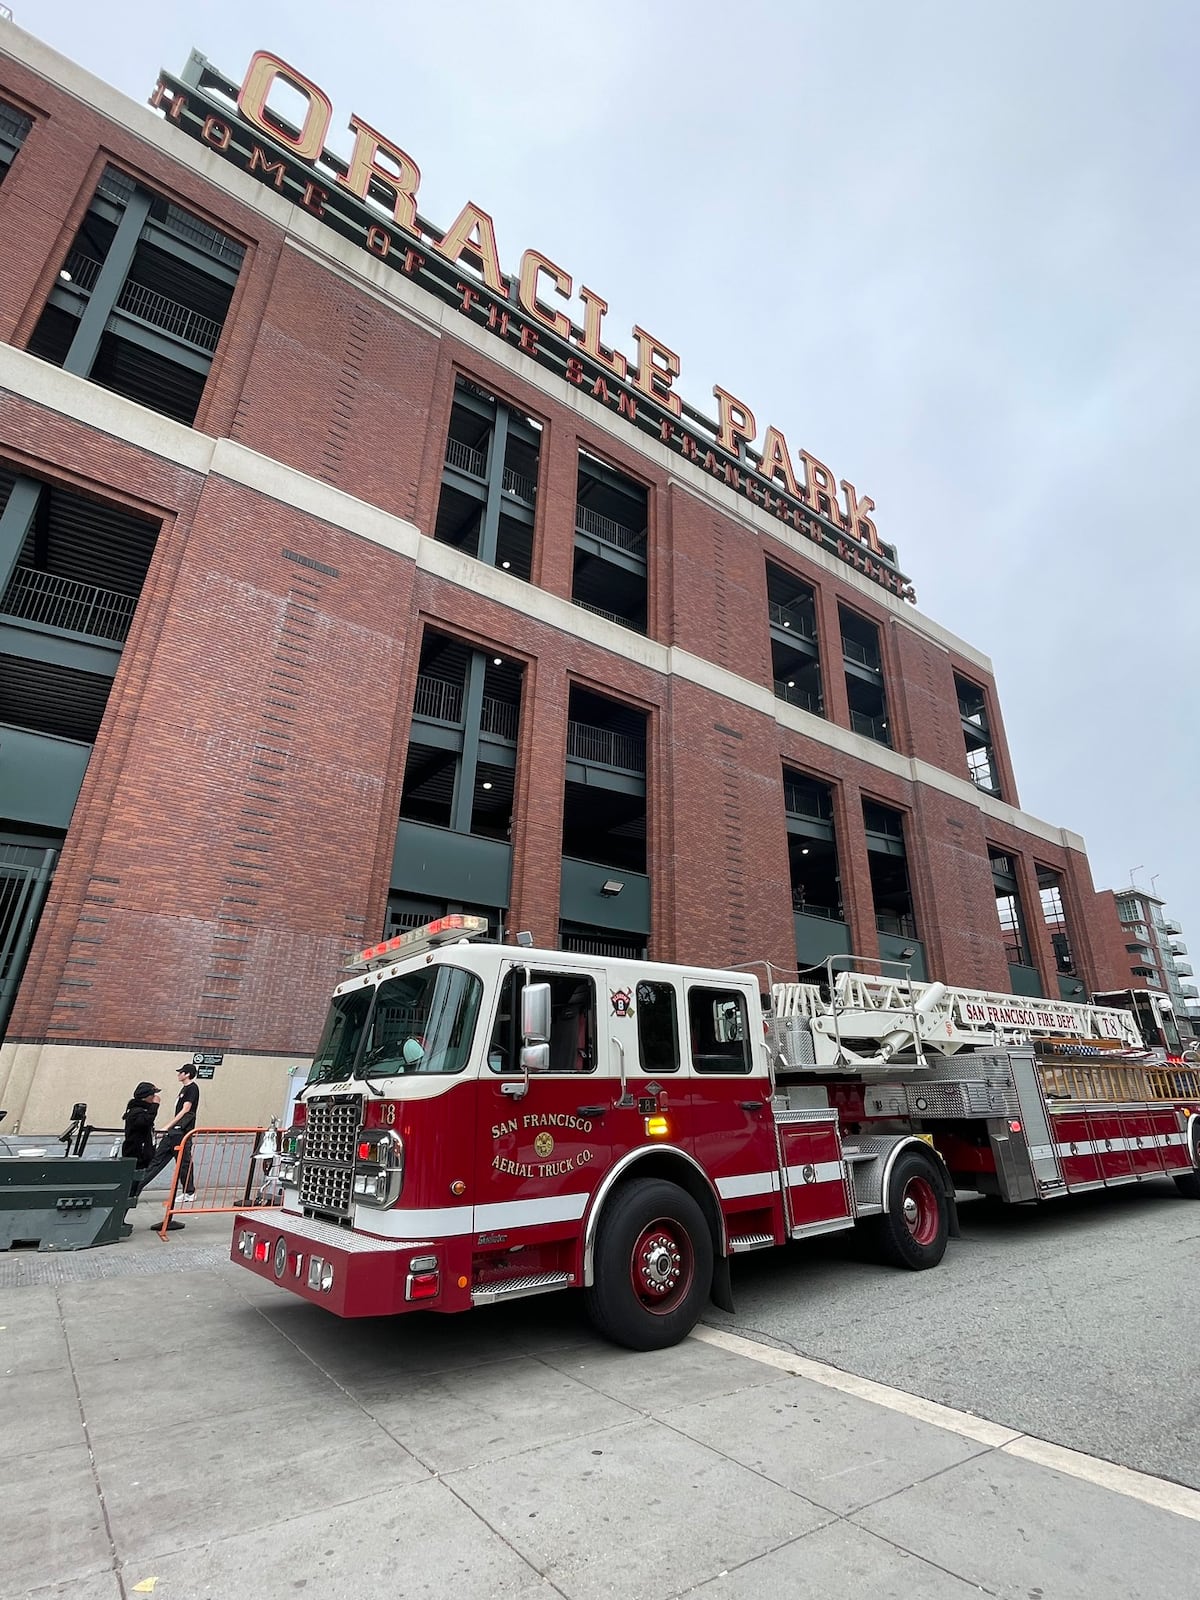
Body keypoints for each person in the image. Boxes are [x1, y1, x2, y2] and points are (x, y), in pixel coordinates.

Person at [132, 1064, 201, 1227]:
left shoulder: (192, 1088)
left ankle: (189, 1192)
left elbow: (186, 1110)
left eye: (181, 1072)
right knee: (157, 1160)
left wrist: (168, 1126)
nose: (178, 1075)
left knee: (183, 1162)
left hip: (181, 1131)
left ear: (188, 1074)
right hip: (175, 1132)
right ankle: (135, 1189)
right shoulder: (184, 1089)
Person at [121, 1082, 159, 1171]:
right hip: (136, 1154)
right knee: (135, 1179)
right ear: (145, 1096)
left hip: (144, 1153)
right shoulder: (136, 1111)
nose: (154, 1098)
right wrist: (155, 1106)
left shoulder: (142, 1110)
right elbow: (145, 1121)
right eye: (152, 1095)